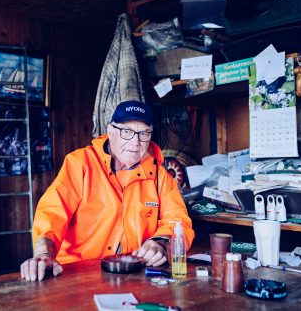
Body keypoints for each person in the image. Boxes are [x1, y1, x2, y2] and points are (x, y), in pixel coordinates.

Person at [20, 100, 195, 281]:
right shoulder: (80, 164)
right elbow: (51, 215)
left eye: (144, 133)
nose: (136, 142)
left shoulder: (160, 175)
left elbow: (178, 221)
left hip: (135, 275)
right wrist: (43, 254)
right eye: (126, 132)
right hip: (77, 274)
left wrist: (161, 242)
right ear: (110, 132)